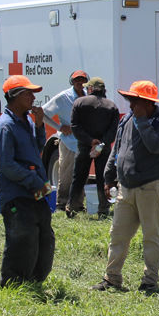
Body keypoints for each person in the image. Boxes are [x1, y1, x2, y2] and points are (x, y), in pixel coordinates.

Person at [93, 80, 159, 294]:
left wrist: (142, 121)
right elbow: (118, 149)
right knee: (118, 234)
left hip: (149, 187)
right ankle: (112, 278)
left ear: (147, 103)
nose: (130, 105)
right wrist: (108, 175)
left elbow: (156, 146)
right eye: (130, 100)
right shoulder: (127, 119)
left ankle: (150, 281)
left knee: (151, 235)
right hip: (125, 188)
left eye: (135, 101)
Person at [0, 75, 54, 287]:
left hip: (35, 191)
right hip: (16, 195)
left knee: (44, 237)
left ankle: (35, 282)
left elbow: (37, 149)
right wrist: (34, 181)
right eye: (28, 93)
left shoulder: (26, 121)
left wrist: (38, 125)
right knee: (22, 238)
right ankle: (13, 285)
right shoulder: (5, 127)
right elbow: (7, 165)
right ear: (15, 97)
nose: (33, 97)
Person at [68, 77, 119, 219]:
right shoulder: (112, 106)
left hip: (84, 146)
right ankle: (103, 209)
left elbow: (75, 126)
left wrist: (91, 141)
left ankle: (73, 207)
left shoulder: (79, 102)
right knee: (103, 178)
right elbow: (113, 131)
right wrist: (101, 144)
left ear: (90, 89)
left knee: (78, 177)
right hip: (103, 148)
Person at [41, 70, 87, 214]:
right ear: (72, 81)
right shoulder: (63, 97)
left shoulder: (88, 96)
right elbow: (43, 113)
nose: (80, 83)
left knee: (82, 174)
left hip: (83, 142)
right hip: (68, 141)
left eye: (82, 80)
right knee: (66, 174)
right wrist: (59, 127)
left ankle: (78, 204)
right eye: (76, 80)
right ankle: (61, 204)